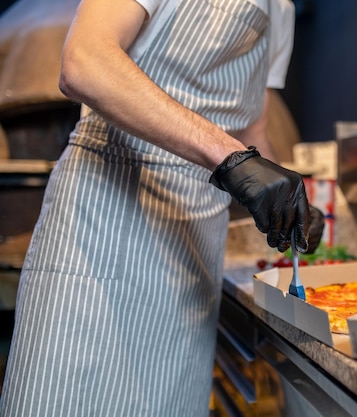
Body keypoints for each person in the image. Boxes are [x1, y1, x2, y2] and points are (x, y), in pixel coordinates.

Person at [0, 0, 324, 415]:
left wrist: (284, 196)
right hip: (106, 217)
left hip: (194, 246)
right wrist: (230, 157)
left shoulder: (281, 7)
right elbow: (85, 61)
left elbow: (251, 125)